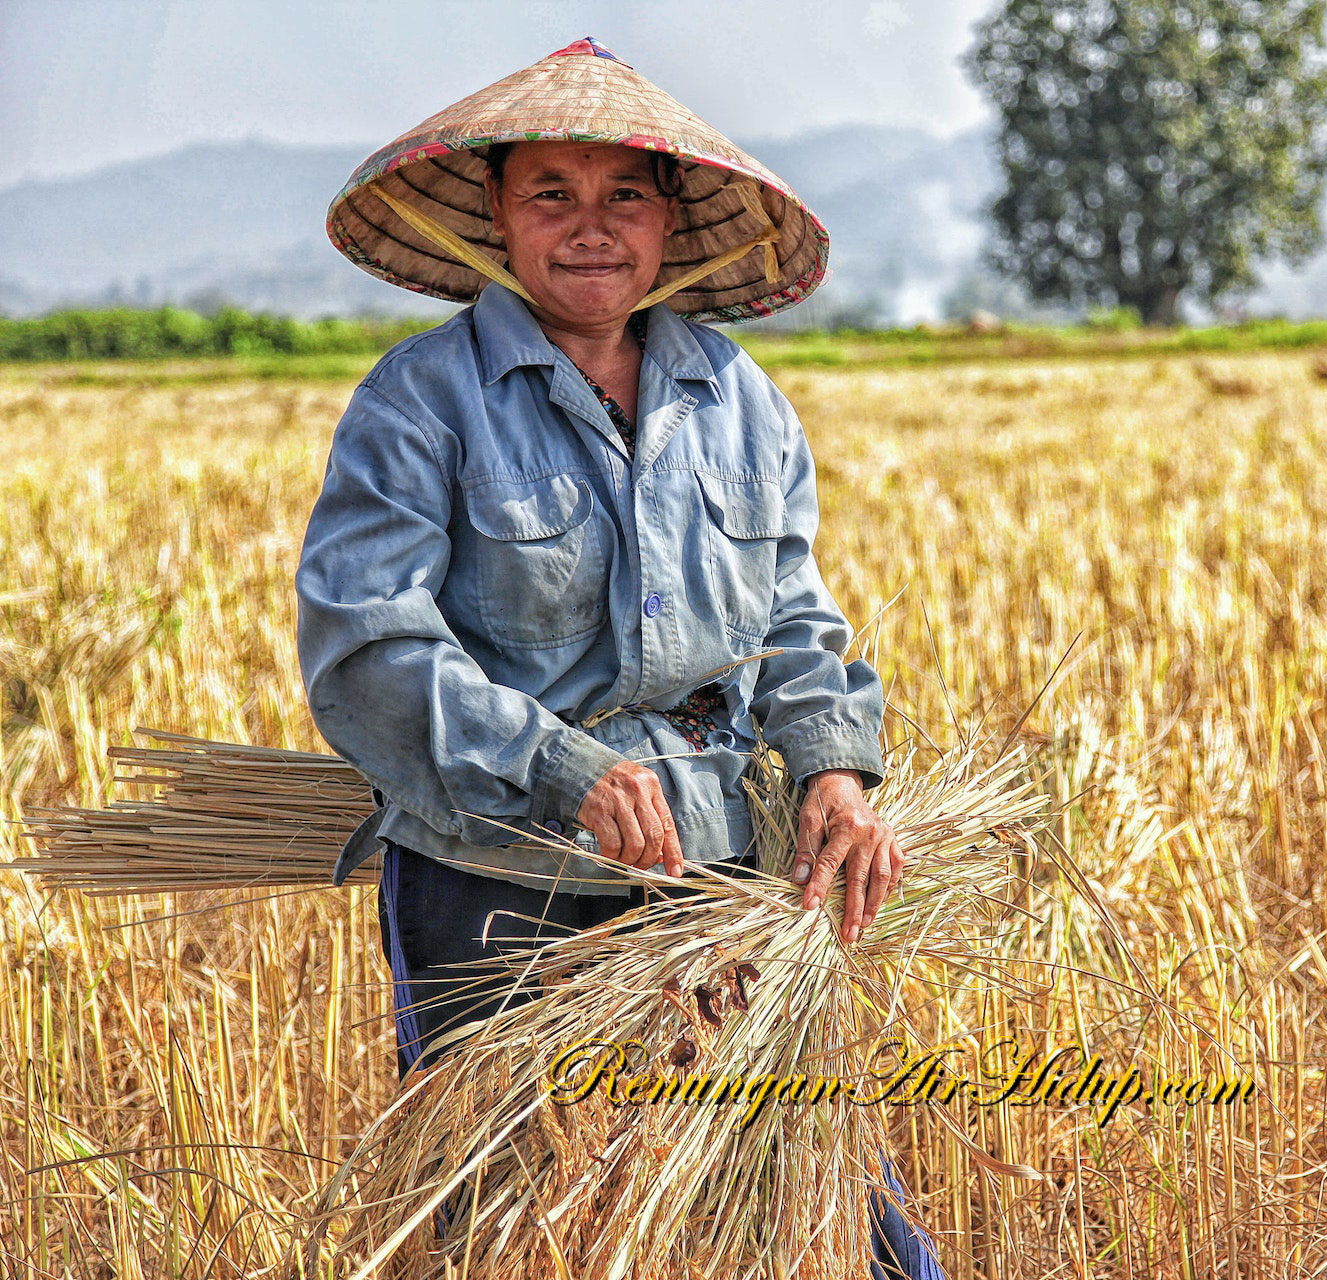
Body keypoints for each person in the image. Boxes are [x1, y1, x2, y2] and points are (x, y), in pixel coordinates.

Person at [295, 37, 944, 1279]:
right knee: (486, 1209)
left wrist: (833, 769)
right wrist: (559, 765)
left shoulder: (736, 396)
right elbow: (365, 641)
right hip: (495, 867)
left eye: (623, 195)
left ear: (669, 219)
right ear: (496, 212)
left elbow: (797, 616)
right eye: (552, 193)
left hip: (720, 855)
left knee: (817, 1189)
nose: (590, 228)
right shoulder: (421, 400)